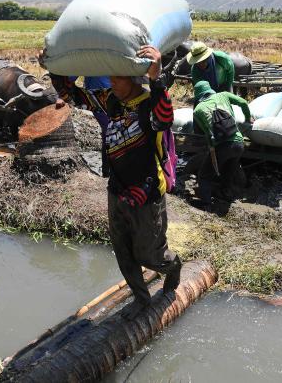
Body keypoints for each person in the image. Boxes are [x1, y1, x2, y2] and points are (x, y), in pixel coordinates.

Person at [50, 45, 182, 320]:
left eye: (117, 78)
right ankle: (142, 299)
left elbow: (165, 118)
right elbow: (72, 95)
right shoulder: (111, 100)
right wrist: (53, 67)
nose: (111, 83)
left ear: (133, 77)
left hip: (146, 193)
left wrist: (156, 78)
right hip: (117, 189)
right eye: (110, 78)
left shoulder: (149, 104)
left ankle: (174, 266)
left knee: (150, 256)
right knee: (122, 251)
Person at [192, 80, 250, 210]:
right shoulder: (223, 95)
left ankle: (206, 204)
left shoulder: (198, 110)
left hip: (222, 146)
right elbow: (243, 102)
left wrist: (211, 147)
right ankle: (226, 195)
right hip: (239, 143)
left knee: (204, 175)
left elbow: (207, 134)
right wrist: (247, 119)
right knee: (228, 173)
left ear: (198, 95)